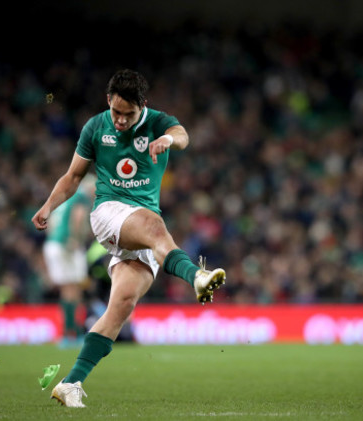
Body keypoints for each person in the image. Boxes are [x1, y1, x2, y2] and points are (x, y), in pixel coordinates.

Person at [31, 69, 226, 408]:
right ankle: (196, 275)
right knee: (154, 225)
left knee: (121, 307)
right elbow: (73, 176)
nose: (120, 120)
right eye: (116, 112)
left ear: (143, 107)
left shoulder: (159, 122)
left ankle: (71, 382)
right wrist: (48, 207)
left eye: (128, 114)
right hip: (108, 212)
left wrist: (169, 140)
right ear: (108, 101)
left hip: (139, 230)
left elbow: (183, 135)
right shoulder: (95, 127)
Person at [42, 173, 95, 348]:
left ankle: (69, 332)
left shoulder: (68, 197)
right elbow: (78, 217)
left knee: (68, 288)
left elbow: (52, 221)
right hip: (67, 245)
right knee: (73, 288)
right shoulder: (81, 197)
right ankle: (73, 333)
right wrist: (74, 238)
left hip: (54, 244)